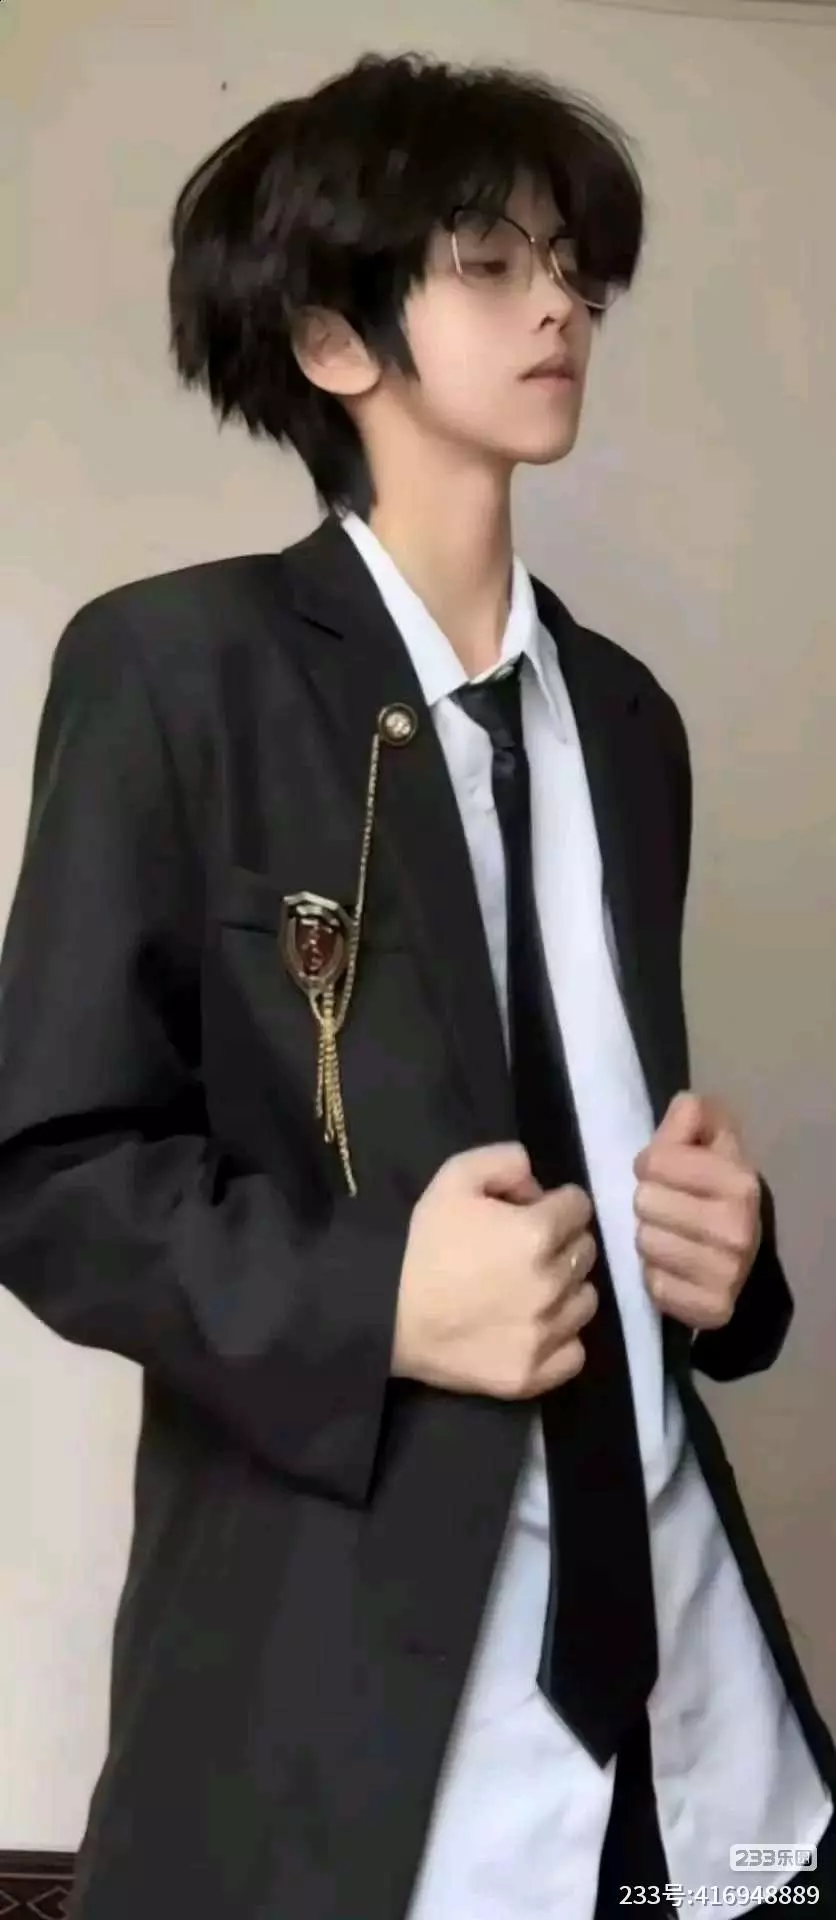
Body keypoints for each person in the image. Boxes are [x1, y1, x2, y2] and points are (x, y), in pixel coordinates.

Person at [0, 51, 832, 1920]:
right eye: (490, 262)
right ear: (328, 337)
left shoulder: (630, 724)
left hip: (699, 1711)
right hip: (362, 1722)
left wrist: (734, 1261)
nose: (560, 307)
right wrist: (377, 1296)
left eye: (574, 268)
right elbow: (48, 1174)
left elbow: (602, 1116)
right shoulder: (174, 674)